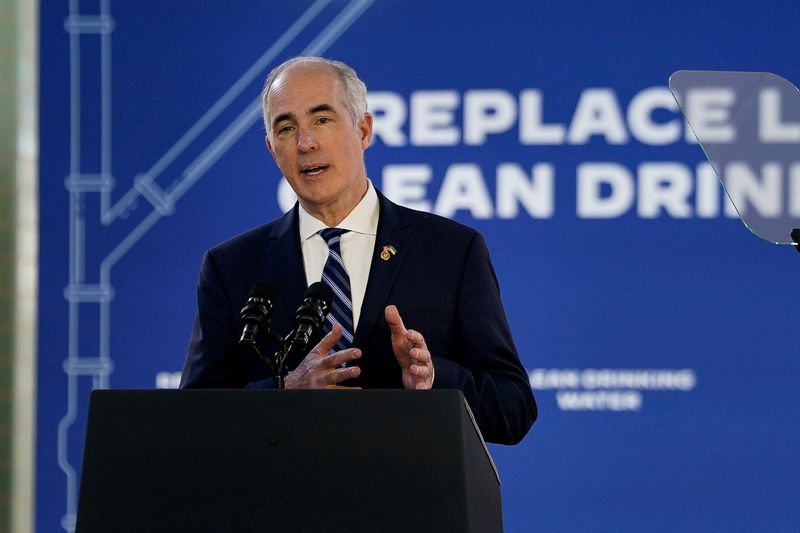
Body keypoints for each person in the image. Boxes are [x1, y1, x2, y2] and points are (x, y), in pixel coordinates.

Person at [180, 56, 536, 444]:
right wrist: (284, 393)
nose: (305, 142)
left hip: (414, 496)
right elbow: (196, 420)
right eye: (286, 128)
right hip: (285, 499)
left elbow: (513, 408)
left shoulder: (451, 250)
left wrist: (435, 380)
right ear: (271, 149)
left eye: (322, 119)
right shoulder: (231, 266)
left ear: (363, 130)